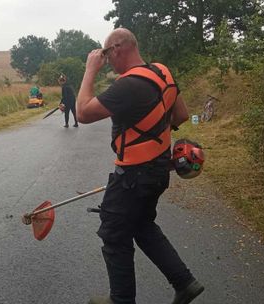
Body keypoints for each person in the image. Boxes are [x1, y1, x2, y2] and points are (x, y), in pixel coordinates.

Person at [76, 28, 204, 304]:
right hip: (158, 171)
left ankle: (121, 300)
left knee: (114, 232)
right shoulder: (162, 73)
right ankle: (185, 282)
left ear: (118, 48)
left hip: (132, 176)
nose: (106, 61)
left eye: (107, 55)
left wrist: (89, 70)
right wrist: (153, 137)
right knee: (142, 225)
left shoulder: (127, 85)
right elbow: (180, 114)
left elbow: (83, 113)